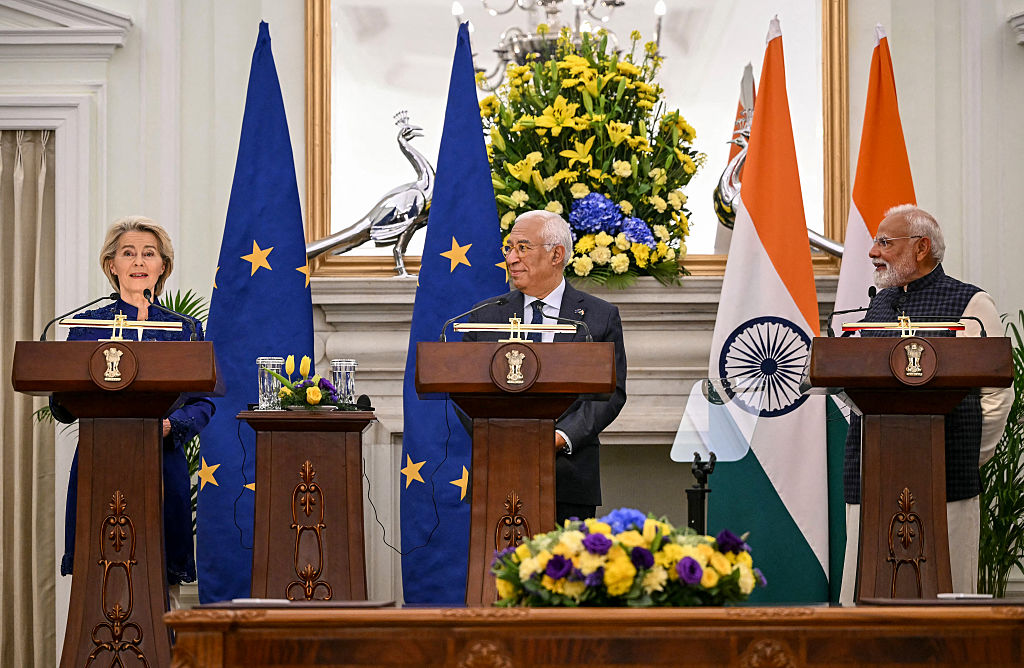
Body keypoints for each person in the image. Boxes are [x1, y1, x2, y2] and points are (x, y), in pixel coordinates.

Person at [839, 204, 1013, 603]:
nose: (873, 251)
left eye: (885, 242)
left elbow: (997, 395)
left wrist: (964, 455)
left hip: (947, 482)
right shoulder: (878, 305)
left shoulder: (970, 304)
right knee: (867, 604)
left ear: (921, 248)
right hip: (872, 479)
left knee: (944, 599)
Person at [51, 215, 215, 596]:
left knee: (161, 590)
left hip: (162, 463)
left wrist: (171, 425)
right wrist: (64, 393)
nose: (139, 261)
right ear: (112, 265)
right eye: (128, 253)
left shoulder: (184, 329)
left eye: (149, 253)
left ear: (163, 266)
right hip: (100, 460)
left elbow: (202, 403)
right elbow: (61, 404)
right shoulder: (86, 326)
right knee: (97, 585)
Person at [460, 210, 627, 525]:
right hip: (497, 470)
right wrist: (504, 437)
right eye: (509, 248)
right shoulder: (485, 315)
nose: (511, 258)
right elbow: (463, 390)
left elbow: (610, 394)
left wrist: (560, 437)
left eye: (522, 248)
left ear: (556, 255)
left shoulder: (599, 317)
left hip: (569, 476)